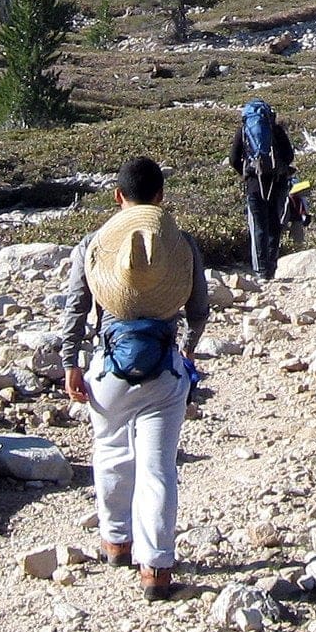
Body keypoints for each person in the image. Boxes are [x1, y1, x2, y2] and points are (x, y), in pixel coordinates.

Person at [57, 157, 209, 602]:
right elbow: (198, 311)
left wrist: (70, 362)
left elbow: (75, 310)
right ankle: (157, 568)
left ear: (118, 197)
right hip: (163, 367)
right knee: (159, 469)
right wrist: (189, 348)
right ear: (161, 198)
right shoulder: (182, 246)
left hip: (109, 368)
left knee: (109, 452)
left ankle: (115, 541)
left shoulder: (93, 245)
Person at [227, 97, 294, 279]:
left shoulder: (243, 131)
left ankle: (260, 271)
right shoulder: (276, 129)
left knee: (258, 226)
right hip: (276, 182)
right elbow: (289, 156)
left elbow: (233, 158)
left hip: (254, 183)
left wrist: (245, 172)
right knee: (274, 223)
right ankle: (272, 267)